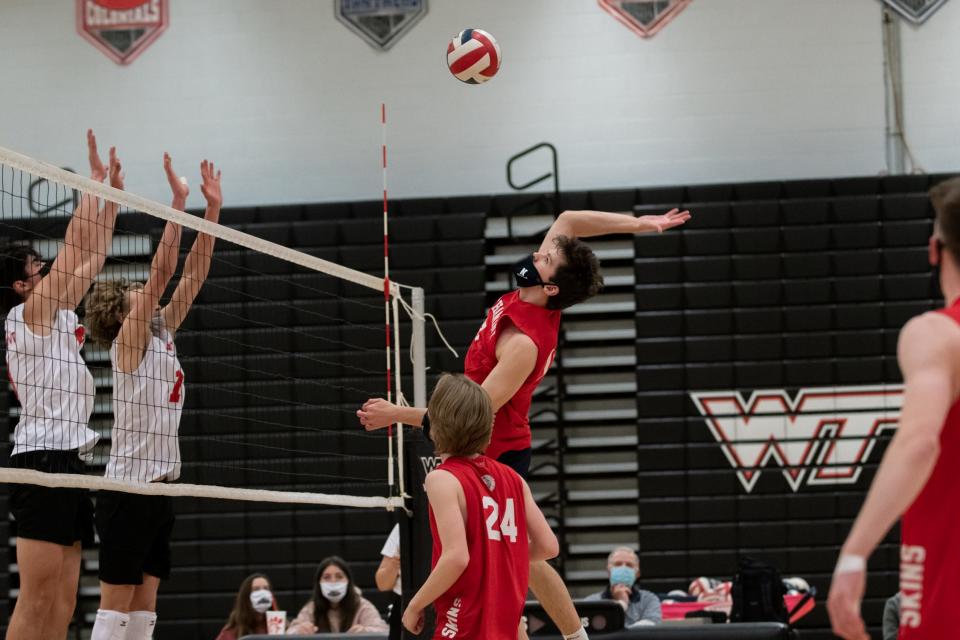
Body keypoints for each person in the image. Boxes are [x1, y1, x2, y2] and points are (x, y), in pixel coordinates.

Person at [360, 207, 690, 639]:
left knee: (513, 561)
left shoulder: (524, 347)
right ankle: (569, 636)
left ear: (550, 286)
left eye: (544, 259)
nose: (536, 254)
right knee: (517, 561)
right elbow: (570, 218)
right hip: (481, 434)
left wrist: (395, 414)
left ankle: (569, 635)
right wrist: (639, 225)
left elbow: (468, 417)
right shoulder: (543, 289)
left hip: (494, 447)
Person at [84, 155, 222, 640]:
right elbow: (162, 274)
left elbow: (193, 276)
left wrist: (212, 212)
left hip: (160, 487)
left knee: (145, 606)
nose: (145, 293)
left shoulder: (161, 331)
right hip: (127, 491)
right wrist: (177, 204)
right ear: (124, 316)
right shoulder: (129, 343)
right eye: (135, 296)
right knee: (117, 606)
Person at [2, 130, 123, 640]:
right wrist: (91, 187)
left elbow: (90, 258)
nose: (45, 268)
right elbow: (74, 249)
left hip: (69, 458)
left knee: (67, 599)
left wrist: (113, 200)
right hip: (40, 460)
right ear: (20, 284)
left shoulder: (54, 313)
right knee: (36, 599)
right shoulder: (26, 314)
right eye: (36, 266)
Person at [827, 177, 960, 640]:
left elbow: (920, 441)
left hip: (948, 569)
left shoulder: (938, 333)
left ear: (934, 249)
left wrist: (854, 555)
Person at [401, 374, 559, 639]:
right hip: (506, 626)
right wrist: (496, 557)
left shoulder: (442, 478)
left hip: (465, 624)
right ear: (488, 426)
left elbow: (457, 558)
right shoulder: (515, 479)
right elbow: (548, 547)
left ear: (435, 425)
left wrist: (415, 605)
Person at [286, 556, 389, 634]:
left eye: (339, 576)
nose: (333, 582)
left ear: (348, 581)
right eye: (327, 577)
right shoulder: (312, 608)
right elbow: (289, 632)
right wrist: (300, 630)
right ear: (318, 583)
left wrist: (366, 631)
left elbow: (383, 630)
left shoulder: (362, 605)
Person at [584, 547, 661, 627]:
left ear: (637, 574)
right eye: (618, 564)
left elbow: (650, 629)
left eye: (629, 565)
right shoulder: (591, 602)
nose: (623, 568)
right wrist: (622, 604)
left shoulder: (648, 600)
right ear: (608, 571)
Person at [215, 573, 279, 640]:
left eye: (266, 588)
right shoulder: (230, 633)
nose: (263, 593)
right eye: (256, 589)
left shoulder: (280, 626)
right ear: (246, 596)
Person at [375, 523, 402, 640]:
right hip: (403, 605)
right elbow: (382, 584)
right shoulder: (402, 526)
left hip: (441, 603)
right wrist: (395, 563)